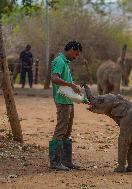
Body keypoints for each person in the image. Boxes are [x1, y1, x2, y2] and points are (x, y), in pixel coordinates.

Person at [49, 40, 82, 170]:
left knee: (67, 131)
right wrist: (71, 85)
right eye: (76, 54)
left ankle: (66, 161)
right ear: (72, 49)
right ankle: (55, 162)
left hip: (68, 100)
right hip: (62, 101)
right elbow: (54, 78)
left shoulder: (65, 63)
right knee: (61, 130)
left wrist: (73, 87)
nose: (76, 57)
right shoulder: (59, 61)